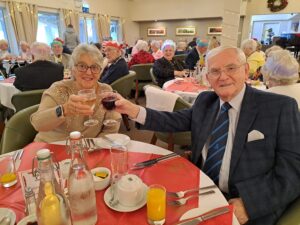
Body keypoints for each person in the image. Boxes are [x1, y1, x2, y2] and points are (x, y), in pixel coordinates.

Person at [112, 46, 300, 225]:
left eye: (231, 68)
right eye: (215, 71)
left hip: (245, 203)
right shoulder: (205, 101)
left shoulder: (279, 107)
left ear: (246, 70)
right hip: (200, 189)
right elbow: (172, 120)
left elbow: (293, 171)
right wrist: (132, 109)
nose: (223, 77)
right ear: (207, 77)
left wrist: (249, 205)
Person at [30, 44, 121, 143]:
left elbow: (112, 127)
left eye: (94, 67)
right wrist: (64, 110)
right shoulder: (59, 89)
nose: (89, 73)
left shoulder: (105, 90)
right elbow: (37, 123)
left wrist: (96, 146)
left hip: (88, 150)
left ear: (100, 71)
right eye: (82, 66)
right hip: (52, 148)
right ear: (73, 69)